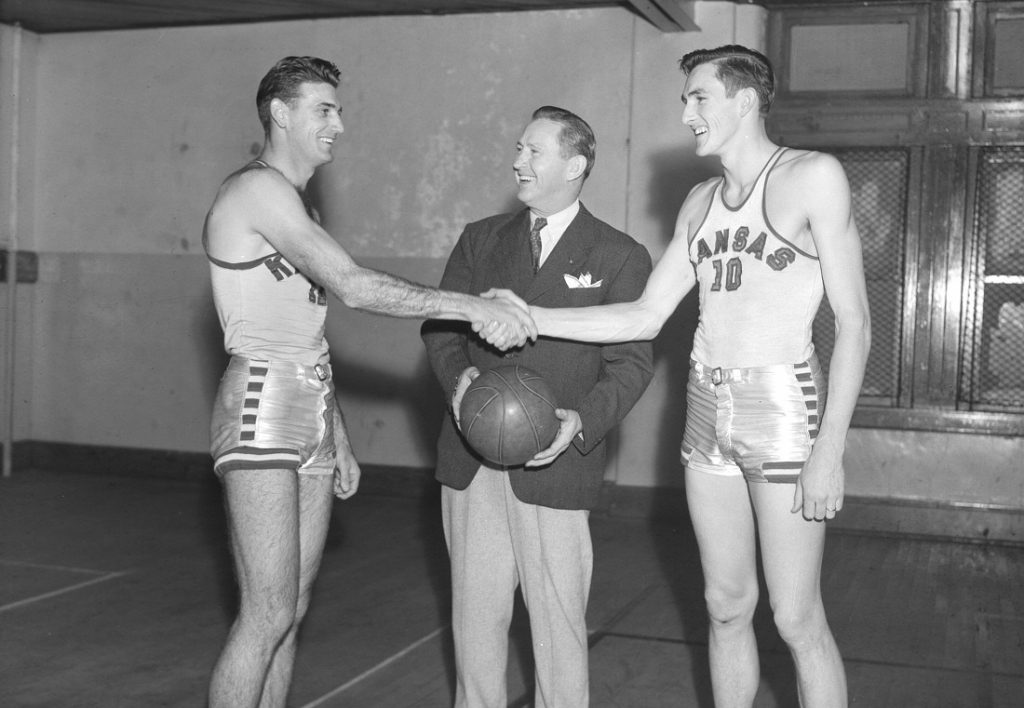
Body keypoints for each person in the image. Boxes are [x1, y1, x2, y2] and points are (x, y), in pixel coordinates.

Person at [518, 46, 871, 707]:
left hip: (783, 409)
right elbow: (646, 315)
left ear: (744, 100)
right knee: (725, 604)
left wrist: (830, 450)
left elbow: (855, 324)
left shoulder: (812, 177)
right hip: (707, 407)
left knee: (795, 617)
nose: (685, 115)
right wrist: (530, 315)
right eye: (685, 100)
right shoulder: (699, 202)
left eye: (698, 98)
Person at [202, 56, 535, 708]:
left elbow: (311, 329)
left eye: (339, 110)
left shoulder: (301, 209)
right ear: (280, 112)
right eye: (324, 109)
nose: (339, 125)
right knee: (266, 612)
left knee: (292, 612)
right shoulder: (255, 191)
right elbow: (353, 286)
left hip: (310, 407)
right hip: (261, 404)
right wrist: (474, 306)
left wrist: (338, 429)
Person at [421, 106, 654, 707]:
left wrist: (584, 424)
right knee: (475, 628)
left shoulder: (620, 256)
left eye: (533, 151)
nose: (518, 161)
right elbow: (440, 332)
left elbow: (631, 364)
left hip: (556, 465)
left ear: (575, 165)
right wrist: (460, 381)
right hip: (471, 464)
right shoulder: (480, 239)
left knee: (558, 631)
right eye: (518, 148)